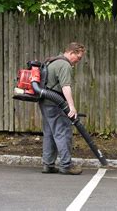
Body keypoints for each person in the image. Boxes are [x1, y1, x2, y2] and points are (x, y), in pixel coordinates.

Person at [39, 42, 85, 175]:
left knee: (49, 133)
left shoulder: (52, 61)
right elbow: (66, 87)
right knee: (62, 131)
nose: (78, 61)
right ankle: (66, 165)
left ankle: (48, 165)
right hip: (55, 103)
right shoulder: (64, 65)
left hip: (45, 101)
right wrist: (71, 106)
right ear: (72, 53)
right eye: (79, 57)